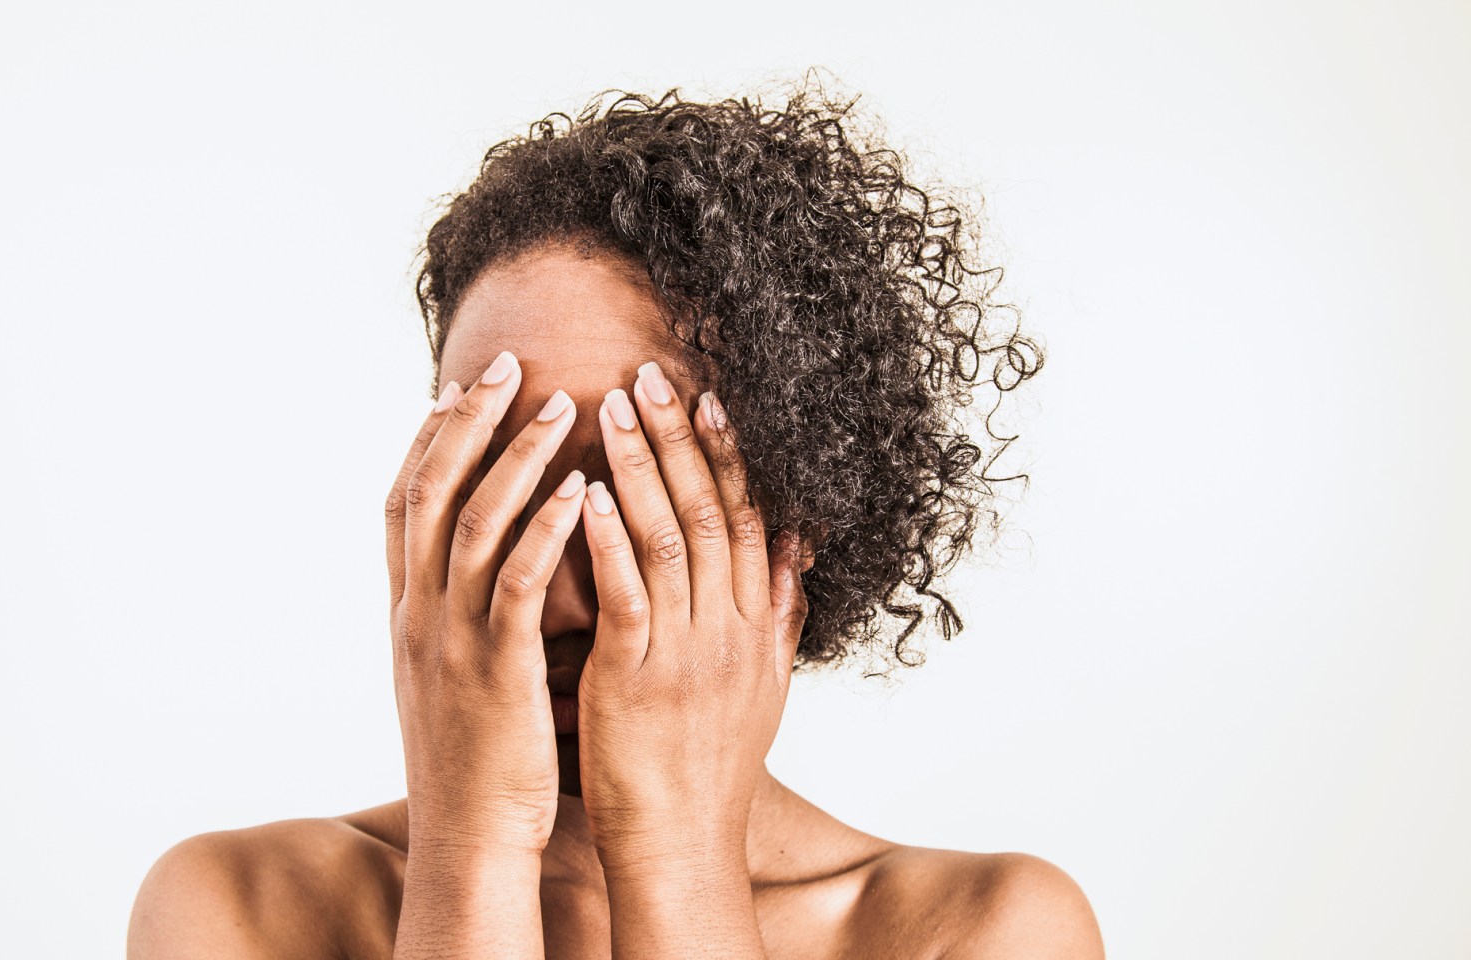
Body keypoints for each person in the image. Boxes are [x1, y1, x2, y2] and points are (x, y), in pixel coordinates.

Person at [127, 79, 1102, 959]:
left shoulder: (983, 930)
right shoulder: (240, 910)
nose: (541, 587)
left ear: (790, 533)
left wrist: (674, 853)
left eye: (631, 494)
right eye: (496, 478)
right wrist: (471, 849)